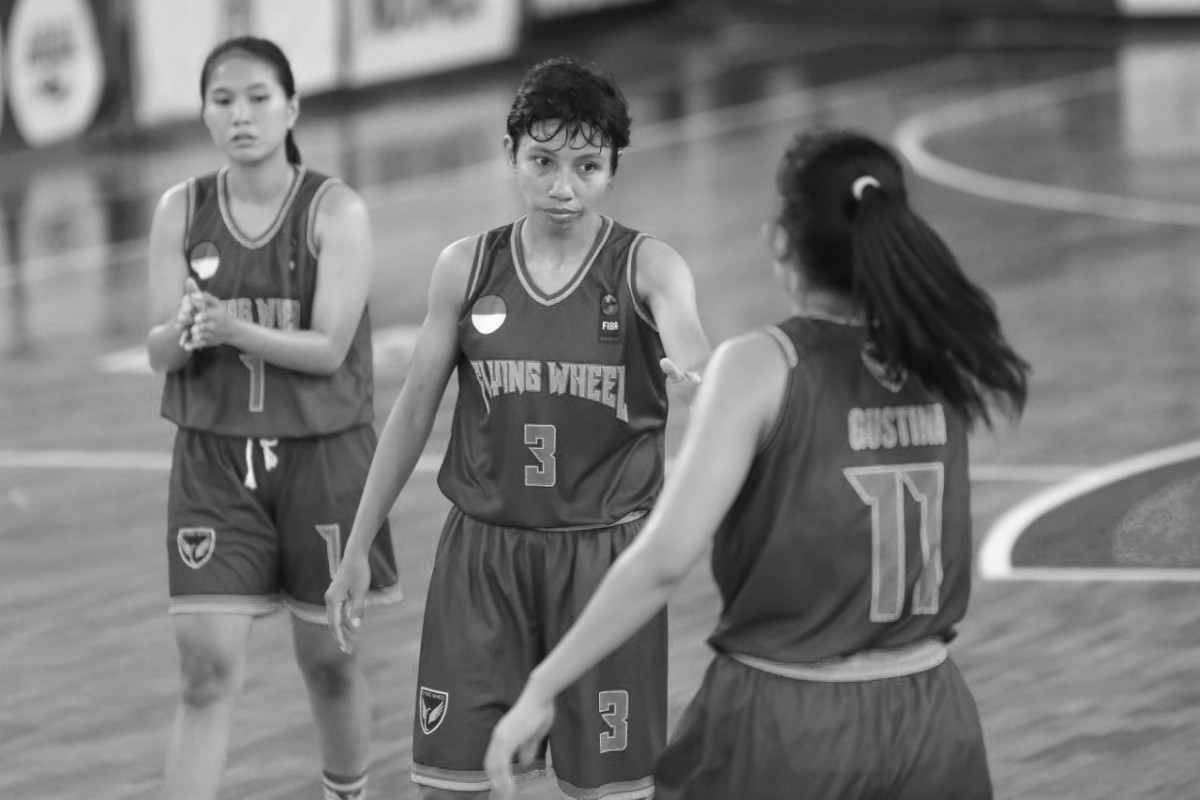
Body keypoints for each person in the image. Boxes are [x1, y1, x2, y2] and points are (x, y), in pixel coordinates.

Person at [484, 128, 1031, 799]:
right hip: (934, 715)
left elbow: (664, 562)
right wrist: (721, 414)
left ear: (780, 238)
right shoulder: (943, 358)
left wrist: (543, 685)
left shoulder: (762, 365)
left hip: (791, 718)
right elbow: (833, 451)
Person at [324, 56, 711, 800]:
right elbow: (412, 411)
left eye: (587, 166)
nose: (563, 187)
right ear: (511, 154)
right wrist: (357, 546)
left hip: (603, 563)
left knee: (609, 794)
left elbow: (691, 346)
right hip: (482, 562)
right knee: (448, 788)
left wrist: (697, 376)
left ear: (613, 168)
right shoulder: (466, 268)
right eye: (543, 161)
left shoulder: (648, 268)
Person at [145, 35, 401, 800]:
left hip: (324, 459)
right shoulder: (181, 208)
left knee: (330, 665)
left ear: (292, 108)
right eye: (222, 100)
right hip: (215, 462)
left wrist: (233, 328)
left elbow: (329, 349)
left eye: (258, 98)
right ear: (203, 113)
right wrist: (186, 332)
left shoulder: (335, 210)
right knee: (203, 675)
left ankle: (347, 791)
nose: (241, 115)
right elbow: (159, 349)